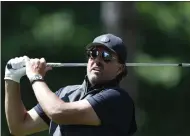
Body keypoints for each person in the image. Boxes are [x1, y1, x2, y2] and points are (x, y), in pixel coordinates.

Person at [4, 33, 137, 136]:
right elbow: (19, 126)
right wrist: (11, 78)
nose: (97, 60)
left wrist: (36, 77)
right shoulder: (66, 93)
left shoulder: (117, 99)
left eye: (106, 56)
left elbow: (57, 112)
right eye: (93, 54)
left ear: (120, 68)